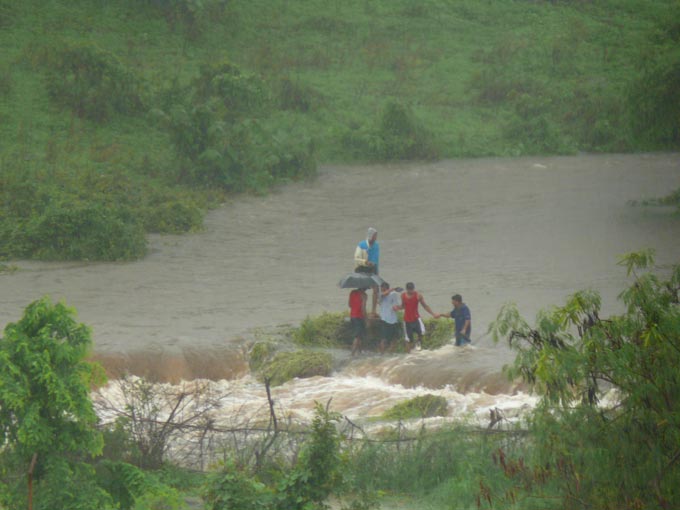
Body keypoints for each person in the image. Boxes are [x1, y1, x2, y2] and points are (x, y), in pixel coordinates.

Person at [393, 282, 437, 352]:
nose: (411, 291)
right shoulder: (403, 296)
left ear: (414, 288)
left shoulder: (418, 295)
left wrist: (433, 314)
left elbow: (425, 306)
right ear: (407, 289)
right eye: (409, 290)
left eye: (412, 290)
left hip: (416, 318)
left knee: (422, 333)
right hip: (407, 320)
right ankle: (409, 355)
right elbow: (403, 306)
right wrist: (397, 307)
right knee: (409, 340)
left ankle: (418, 345)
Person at [354, 227, 380, 315]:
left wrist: (377, 271)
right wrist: (365, 262)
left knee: (376, 289)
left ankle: (373, 310)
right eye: (375, 235)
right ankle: (362, 310)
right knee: (361, 290)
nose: (376, 237)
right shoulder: (361, 245)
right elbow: (356, 259)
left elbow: (376, 259)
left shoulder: (376, 245)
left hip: (373, 268)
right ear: (371, 236)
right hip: (362, 268)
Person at [378, 281, 401, 354]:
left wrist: (396, 308)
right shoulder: (380, 295)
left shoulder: (393, 294)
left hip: (393, 319)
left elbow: (396, 305)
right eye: (381, 288)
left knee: (394, 339)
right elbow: (383, 295)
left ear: (386, 288)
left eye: (383, 288)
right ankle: (382, 354)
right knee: (383, 339)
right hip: (384, 320)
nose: (381, 289)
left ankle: (390, 354)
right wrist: (393, 288)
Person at [348, 287, 367, 356]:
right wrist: (366, 319)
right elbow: (363, 309)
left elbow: (349, 305)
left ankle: (360, 352)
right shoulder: (364, 295)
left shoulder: (352, 292)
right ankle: (352, 354)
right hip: (359, 317)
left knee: (360, 335)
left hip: (352, 316)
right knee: (357, 336)